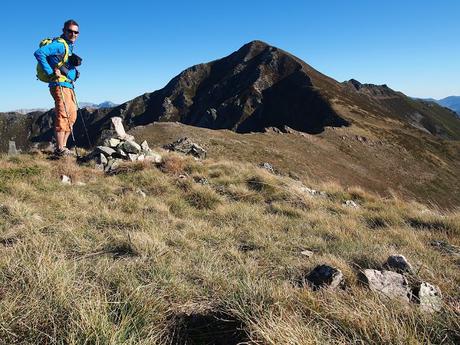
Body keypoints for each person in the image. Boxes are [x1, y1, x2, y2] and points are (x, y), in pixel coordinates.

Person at [34, 19, 81, 157]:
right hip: (59, 85)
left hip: (67, 85)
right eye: (70, 31)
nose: (73, 34)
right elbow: (39, 53)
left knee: (72, 115)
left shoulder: (68, 46)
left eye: (76, 32)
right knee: (63, 114)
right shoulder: (60, 45)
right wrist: (50, 72)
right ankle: (60, 149)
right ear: (64, 31)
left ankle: (64, 147)